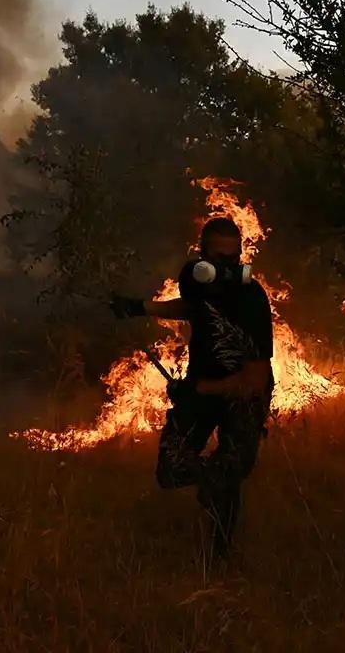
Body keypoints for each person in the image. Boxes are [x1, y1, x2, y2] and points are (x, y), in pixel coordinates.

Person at [110, 217, 274, 559]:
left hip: (241, 396)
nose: (226, 269)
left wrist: (197, 390)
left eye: (233, 260)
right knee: (171, 469)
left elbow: (254, 381)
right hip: (202, 384)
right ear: (202, 255)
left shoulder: (252, 299)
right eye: (218, 259)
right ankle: (215, 483)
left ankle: (220, 555)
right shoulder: (199, 282)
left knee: (233, 466)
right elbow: (193, 308)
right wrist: (141, 308)